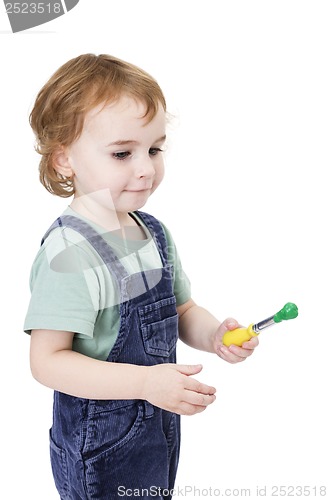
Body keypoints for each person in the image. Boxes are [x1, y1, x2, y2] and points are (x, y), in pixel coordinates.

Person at [24, 53, 259, 500]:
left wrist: (214, 335)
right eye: (122, 153)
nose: (147, 168)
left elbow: (181, 308)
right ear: (63, 159)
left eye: (154, 149)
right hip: (101, 444)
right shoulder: (69, 254)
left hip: (156, 428)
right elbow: (47, 361)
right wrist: (144, 383)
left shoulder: (152, 231)